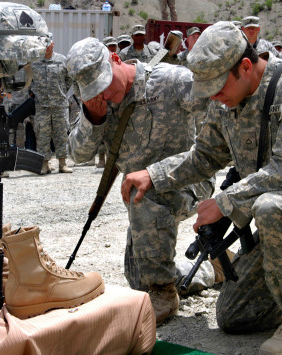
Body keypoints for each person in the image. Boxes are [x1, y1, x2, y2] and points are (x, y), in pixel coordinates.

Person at [121, 21, 282, 354]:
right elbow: (204, 156)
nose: (214, 95)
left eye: (218, 85)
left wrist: (224, 202)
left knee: (271, 205)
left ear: (246, 66)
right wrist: (153, 174)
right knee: (234, 316)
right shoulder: (224, 101)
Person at [66, 37, 216, 325]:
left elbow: (222, 114)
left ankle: (164, 293)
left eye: (106, 83)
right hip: (142, 198)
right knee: (138, 281)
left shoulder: (171, 81)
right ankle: (213, 270)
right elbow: (78, 155)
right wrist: (94, 117)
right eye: (96, 90)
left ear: (116, 59)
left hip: (186, 180)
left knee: (153, 280)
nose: (106, 94)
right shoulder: (99, 103)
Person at [30, 35, 73, 174]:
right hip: (41, 106)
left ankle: (62, 163)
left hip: (59, 104)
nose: (46, 47)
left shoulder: (62, 60)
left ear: (53, 44)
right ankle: (44, 164)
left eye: (48, 44)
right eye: (44, 45)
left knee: (61, 134)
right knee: (42, 135)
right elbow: (29, 82)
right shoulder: (34, 62)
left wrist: (61, 92)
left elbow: (69, 79)